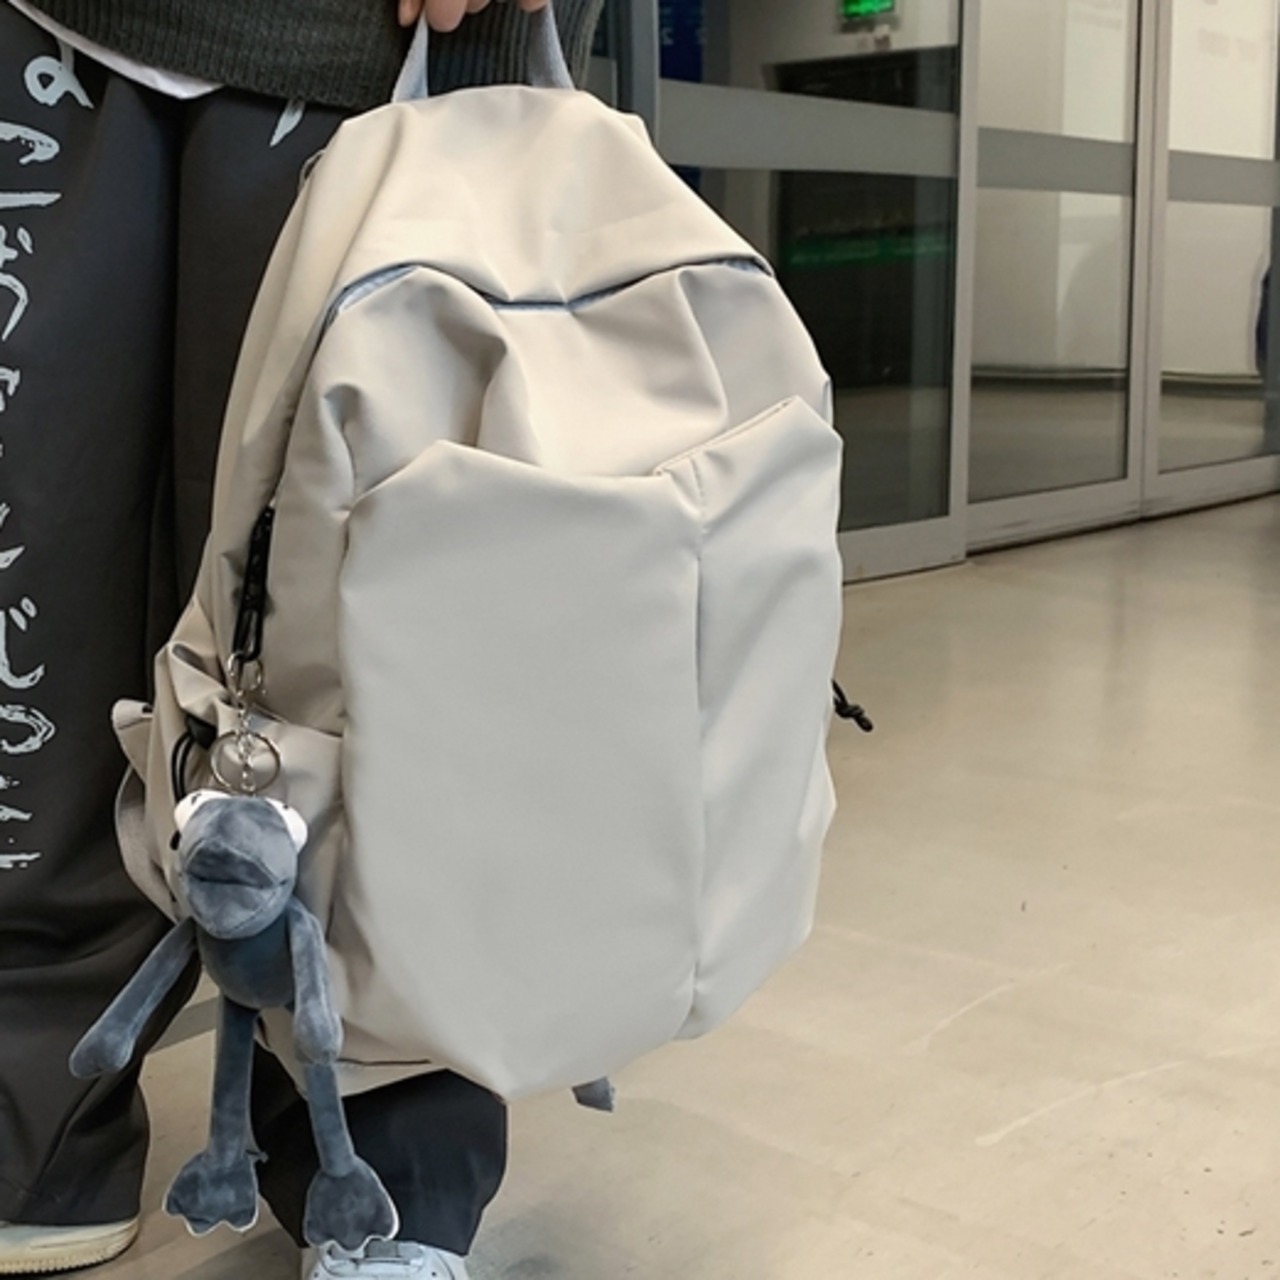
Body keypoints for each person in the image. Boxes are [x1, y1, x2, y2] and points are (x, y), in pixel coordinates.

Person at [0, 0, 603, 1275]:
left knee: (357, 594)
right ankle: (30, 1124)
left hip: (365, 40)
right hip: (47, 25)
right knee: (30, 581)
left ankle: (378, 1151)